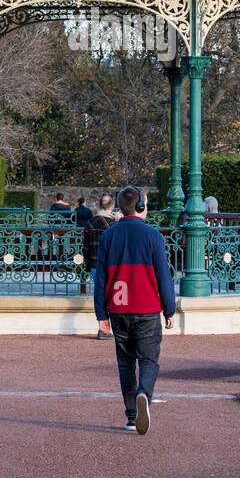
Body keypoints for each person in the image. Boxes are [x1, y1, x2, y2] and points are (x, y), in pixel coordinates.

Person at [93, 186, 176, 435]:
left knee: (126, 364)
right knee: (149, 360)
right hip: (147, 309)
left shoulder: (109, 236)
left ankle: (131, 416)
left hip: (118, 311)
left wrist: (101, 314)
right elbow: (164, 277)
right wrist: (169, 309)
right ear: (140, 207)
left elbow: (101, 279)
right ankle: (144, 394)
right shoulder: (153, 236)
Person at [82, 194, 118, 339]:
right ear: (112, 206)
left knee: (100, 294)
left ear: (99, 205)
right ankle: (113, 327)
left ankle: (103, 326)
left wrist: (87, 264)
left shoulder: (90, 223)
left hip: (94, 263)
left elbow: (85, 247)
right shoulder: (114, 225)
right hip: (111, 265)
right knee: (111, 294)